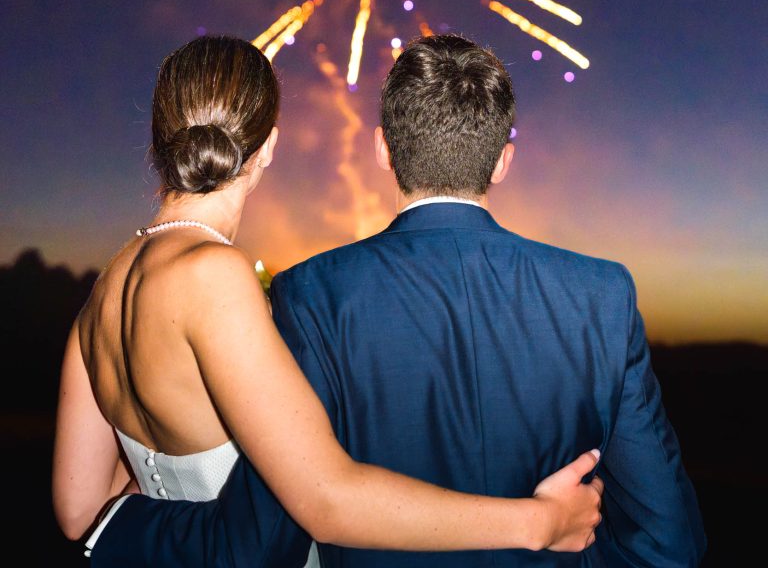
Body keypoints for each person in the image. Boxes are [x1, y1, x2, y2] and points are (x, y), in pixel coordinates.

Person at [53, 33, 604, 568]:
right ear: (268, 143)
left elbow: (81, 512)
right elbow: (326, 501)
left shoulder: (103, 294)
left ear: (159, 140)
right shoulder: (213, 274)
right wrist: (539, 522)